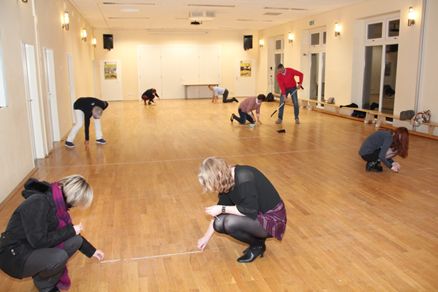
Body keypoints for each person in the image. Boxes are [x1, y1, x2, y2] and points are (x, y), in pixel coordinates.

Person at [0, 175, 104, 292]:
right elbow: (39, 241)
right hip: (14, 255)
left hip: (28, 247)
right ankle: (46, 286)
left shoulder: (55, 201)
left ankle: (40, 273)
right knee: (59, 257)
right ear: (74, 197)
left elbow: (67, 233)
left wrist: (92, 251)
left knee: (76, 241)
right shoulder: (39, 202)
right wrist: (71, 230)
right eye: (77, 203)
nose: (74, 206)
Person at [197, 157, 287, 263]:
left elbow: (249, 210)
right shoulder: (225, 181)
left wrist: (222, 208)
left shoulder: (244, 176)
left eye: (213, 183)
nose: (214, 188)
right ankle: (257, 243)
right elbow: (220, 211)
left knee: (229, 222)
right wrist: (206, 237)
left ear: (219, 175)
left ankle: (257, 246)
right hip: (255, 215)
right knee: (219, 223)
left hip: (273, 219)